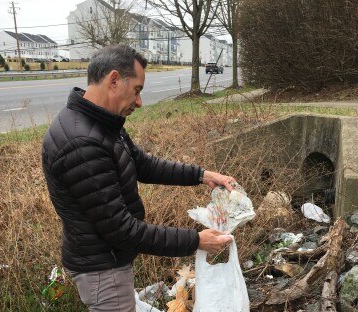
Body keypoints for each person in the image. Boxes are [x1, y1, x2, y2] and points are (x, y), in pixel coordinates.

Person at [41, 45, 234, 311]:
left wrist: (201, 175)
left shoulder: (100, 123)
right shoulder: (82, 144)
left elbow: (143, 165)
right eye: (137, 90)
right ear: (114, 80)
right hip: (103, 270)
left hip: (105, 261)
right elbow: (122, 229)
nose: (139, 102)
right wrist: (196, 240)